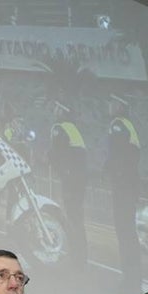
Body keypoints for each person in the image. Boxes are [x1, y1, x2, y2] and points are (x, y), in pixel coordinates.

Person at [105, 94, 141, 290]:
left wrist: (111, 172)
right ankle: (133, 279)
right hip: (130, 186)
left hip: (123, 187)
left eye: (112, 103)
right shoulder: (129, 125)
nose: (109, 106)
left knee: (125, 233)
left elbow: (117, 155)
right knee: (129, 233)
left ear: (120, 105)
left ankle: (130, 282)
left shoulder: (117, 125)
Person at [50, 101, 88, 263]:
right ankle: (81, 255)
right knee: (77, 217)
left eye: (57, 107)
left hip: (70, 180)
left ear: (62, 111)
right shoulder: (73, 129)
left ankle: (76, 257)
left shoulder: (59, 128)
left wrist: (49, 160)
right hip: (80, 179)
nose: (54, 110)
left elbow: (57, 152)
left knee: (72, 218)